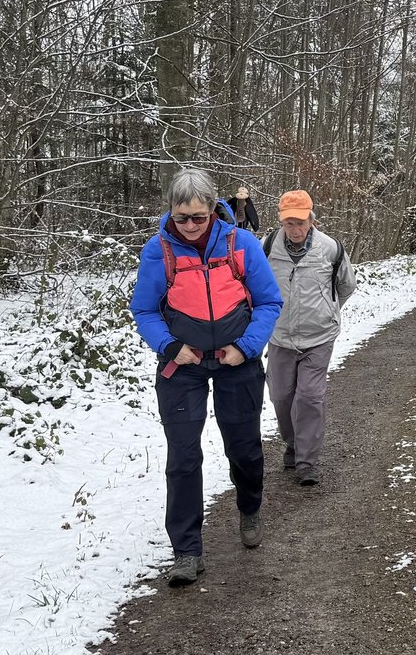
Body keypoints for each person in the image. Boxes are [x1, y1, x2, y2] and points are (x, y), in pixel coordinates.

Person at [129, 168, 284, 586]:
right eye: (182, 217)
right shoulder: (159, 250)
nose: (191, 225)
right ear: (171, 212)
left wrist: (245, 348)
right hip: (182, 366)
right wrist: (169, 346)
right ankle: (186, 550)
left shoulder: (240, 243)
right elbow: (144, 309)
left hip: (237, 362)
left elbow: (269, 302)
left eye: (199, 216)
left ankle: (249, 509)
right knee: (183, 457)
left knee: (244, 447)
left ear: (214, 210)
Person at [262, 189, 358, 487]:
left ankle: (307, 462)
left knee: (309, 397)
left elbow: (346, 286)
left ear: (311, 220)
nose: (295, 230)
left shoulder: (330, 248)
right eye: (289, 223)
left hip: (319, 337)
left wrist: (326, 311)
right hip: (280, 336)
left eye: (300, 223)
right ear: (281, 222)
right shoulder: (267, 247)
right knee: (281, 396)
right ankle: (292, 443)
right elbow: (255, 285)